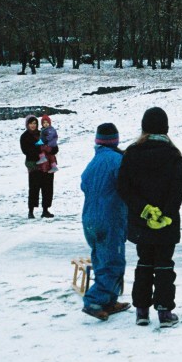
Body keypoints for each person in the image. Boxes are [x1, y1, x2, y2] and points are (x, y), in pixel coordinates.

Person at [117, 107, 182, 328]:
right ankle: (165, 312)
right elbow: (178, 188)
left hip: (141, 222)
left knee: (144, 263)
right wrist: (166, 213)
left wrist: (144, 210)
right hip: (166, 223)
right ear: (165, 128)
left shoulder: (132, 152)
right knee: (165, 265)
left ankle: (142, 311)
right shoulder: (173, 154)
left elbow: (124, 187)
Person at [80, 123, 131, 321]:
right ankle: (94, 300)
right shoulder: (117, 160)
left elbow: (84, 184)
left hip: (89, 218)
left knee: (101, 259)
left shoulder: (93, 163)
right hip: (109, 218)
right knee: (114, 261)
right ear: (115, 140)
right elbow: (126, 186)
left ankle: (109, 301)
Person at [19, 115, 56, 219]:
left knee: (47, 188)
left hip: (47, 165)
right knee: (34, 189)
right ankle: (31, 211)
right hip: (34, 166)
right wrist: (40, 151)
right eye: (31, 123)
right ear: (27, 124)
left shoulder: (42, 133)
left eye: (35, 123)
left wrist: (51, 150)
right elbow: (26, 151)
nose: (33, 125)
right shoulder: (25, 136)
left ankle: (45, 210)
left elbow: (54, 146)